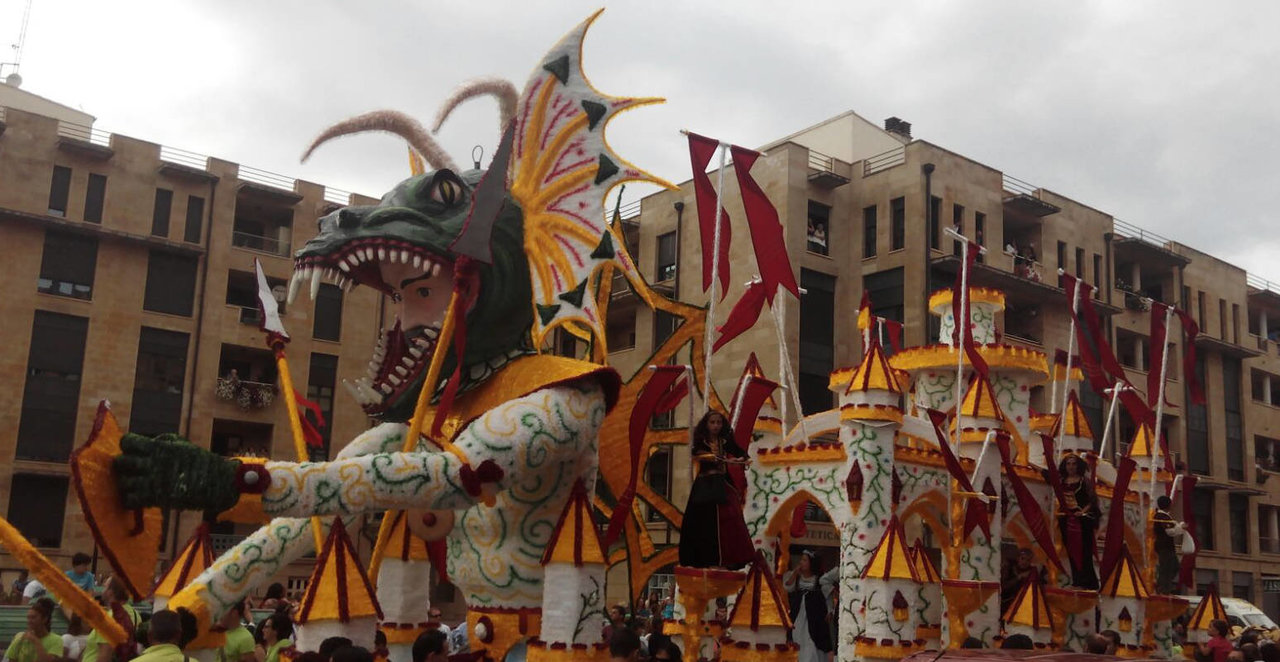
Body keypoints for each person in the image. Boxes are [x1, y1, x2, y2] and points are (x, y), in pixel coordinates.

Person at [678, 411, 753, 569]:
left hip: (723, 484)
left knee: (732, 519)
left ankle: (729, 560)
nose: (716, 426)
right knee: (702, 522)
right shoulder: (701, 440)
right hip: (705, 485)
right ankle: (703, 560)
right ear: (707, 424)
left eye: (718, 422)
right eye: (712, 422)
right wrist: (710, 457)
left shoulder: (725, 440)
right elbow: (695, 453)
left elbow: (741, 452)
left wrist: (742, 458)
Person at [1056, 454, 1100, 589]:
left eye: (1073, 464)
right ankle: (1077, 580)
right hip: (1066, 519)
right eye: (1068, 464)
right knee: (1071, 550)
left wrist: (1082, 511)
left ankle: (1087, 582)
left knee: (1084, 551)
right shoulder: (1061, 481)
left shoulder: (1084, 481)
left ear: (1078, 465)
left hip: (1082, 520)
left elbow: (1092, 500)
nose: (1071, 467)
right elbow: (1048, 475)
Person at [782, 551, 836, 662]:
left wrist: (830, 610)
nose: (801, 562)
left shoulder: (821, 579)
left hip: (815, 616)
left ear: (812, 563)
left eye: (804, 560)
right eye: (801, 560)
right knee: (797, 638)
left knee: (812, 643)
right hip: (798, 614)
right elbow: (788, 587)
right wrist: (795, 573)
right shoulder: (796, 577)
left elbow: (828, 596)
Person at [82, 577, 139, 662]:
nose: (102, 590)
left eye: (105, 587)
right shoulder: (135, 614)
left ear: (110, 592)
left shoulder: (110, 618)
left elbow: (105, 655)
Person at [4, 598, 62, 662]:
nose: (29, 621)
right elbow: (11, 659)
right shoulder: (20, 637)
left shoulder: (56, 640)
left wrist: (35, 641)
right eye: (28, 617)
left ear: (44, 619)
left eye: (33, 617)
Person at [1153, 495, 1187, 594]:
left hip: (1167, 547)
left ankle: (1165, 586)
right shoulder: (1162, 516)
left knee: (1174, 566)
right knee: (1166, 567)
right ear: (1168, 505)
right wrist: (1180, 527)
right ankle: (1162, 588)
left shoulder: (1165, 516)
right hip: (1164, 546)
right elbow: (1170, 532)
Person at [1000, 547, 1040, 615]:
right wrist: (1019, 577)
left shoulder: (1031, 571)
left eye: (1028, 560)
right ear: (1018, 558)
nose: (1025, 562)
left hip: (1020, 605)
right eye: (1022, 558)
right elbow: (1003, 586)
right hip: (1004, 602)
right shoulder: (1009, 567)